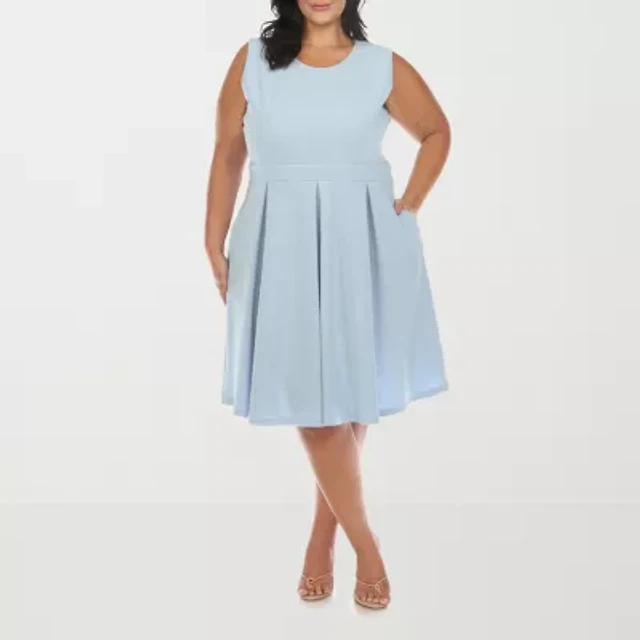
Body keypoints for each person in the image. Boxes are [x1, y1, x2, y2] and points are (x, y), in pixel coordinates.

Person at [204, 0, 450, 610]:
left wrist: (409, 204)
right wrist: (212, 238)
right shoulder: (252, 63)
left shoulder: (381, 66)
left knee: (343, 396)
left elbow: (436, 132)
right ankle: (366, 545)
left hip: (361, 238)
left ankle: (323, 535)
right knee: (315, 409)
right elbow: (228, 153)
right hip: (277, 239)